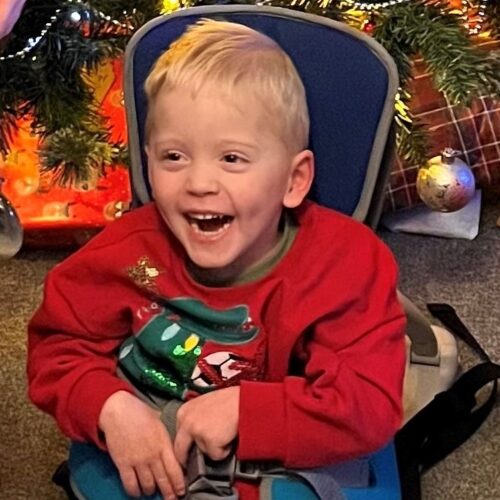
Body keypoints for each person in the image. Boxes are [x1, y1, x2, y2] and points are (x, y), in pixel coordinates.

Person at [27, 18, 406, 500]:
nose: (199, 182)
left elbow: (368, 404)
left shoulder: (345, 265)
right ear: (147, 162)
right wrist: (110, 406)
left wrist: (249, 412)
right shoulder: (127, 257)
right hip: (152, 427)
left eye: (232, 159)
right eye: (174, 157)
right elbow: (57, 347)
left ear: (294, 181)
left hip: (283, 449)